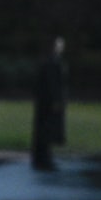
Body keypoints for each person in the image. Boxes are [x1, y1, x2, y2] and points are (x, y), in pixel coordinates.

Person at [31, 36, 67, 170]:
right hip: (48, 102)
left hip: (44, 102)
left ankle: (41, 157)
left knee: (42, 130)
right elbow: (53, 84)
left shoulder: (48, 61)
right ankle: (44, 158)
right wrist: (56, 100)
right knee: (46, 130)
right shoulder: (52, 62)